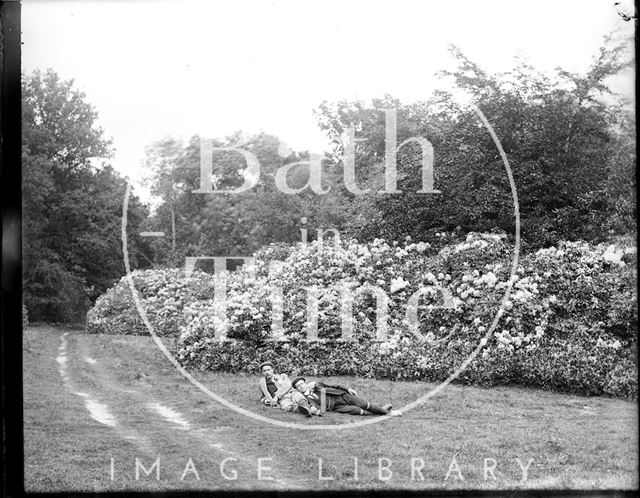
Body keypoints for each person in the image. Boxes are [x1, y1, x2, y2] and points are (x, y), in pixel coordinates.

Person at [291, 377, 401, 417]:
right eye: (298, 386)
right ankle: (382, 411)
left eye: (302, 383)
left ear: (305, 383)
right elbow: (318, 407)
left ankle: (389, 413)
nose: (301, 386)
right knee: (358, 411)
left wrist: (347, 389)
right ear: (297, 388)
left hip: (341, 396)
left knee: (363, 404)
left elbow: (334, 386)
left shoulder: (317, 385)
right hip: (335, 407)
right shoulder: (306, 398)